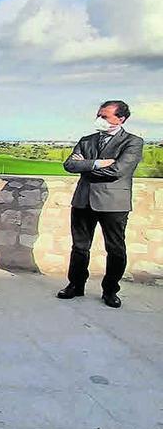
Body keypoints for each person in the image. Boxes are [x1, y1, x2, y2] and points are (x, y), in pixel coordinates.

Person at [59, 100, 144, 308]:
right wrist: (97, 163)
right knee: (79, 247)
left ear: (121, 119)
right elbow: (69, 165)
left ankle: (110, 290)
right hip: (83, 200)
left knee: (115, 249)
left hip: (113, 204)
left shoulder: (132, 142)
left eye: (105, 116)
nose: (99, 119)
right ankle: (75, 285)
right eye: (99, 115)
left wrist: (84, 166)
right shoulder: (86, 140)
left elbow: (118, 171)